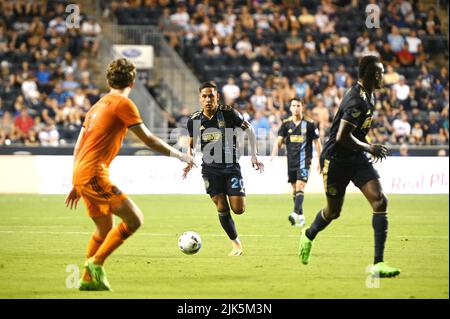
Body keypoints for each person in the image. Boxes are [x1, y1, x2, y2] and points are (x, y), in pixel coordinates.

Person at [65, 58, 195, 291]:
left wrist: (76, 181)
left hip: (82, 172)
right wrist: (181, 155)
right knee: (134, 219)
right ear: (133, 82)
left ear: (108, 81)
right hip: (94, 172)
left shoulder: (96, 106)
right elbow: (149, 139)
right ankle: (96, 263)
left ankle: (86, 278)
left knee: (104, 230)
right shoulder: (123, 104)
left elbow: (78, 146)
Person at [298, 55, 401, 278]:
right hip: (336, 160)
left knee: (380, 200)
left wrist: (364, 147)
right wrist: (369, 147)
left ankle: (378, 263)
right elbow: (343, 136)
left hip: (355, 158)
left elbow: (355, 133)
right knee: (333, 212)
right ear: (373, 75)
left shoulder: (369, 95)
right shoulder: (357, 100)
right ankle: (309, 234)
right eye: (381, 72)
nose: (383, 76)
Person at [183, 81, 264, 256]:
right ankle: (236, 245)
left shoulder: (228, 113)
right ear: (200, 98)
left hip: (230, 167)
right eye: (204, 96)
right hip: (210, 170)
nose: (208, 99)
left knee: (239, 209)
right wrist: (189, 159)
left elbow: (249, 129)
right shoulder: (194, 120)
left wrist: (254, 155)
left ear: (217, 96)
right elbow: (191, 143)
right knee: (221, 205)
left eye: (211, 95)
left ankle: (236, 233)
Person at [271, 98, 322, 226]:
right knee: (294, 189)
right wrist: (274, 153)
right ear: (290, 108)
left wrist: (320, 160)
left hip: (304, 161)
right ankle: (301, 216)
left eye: (298, 105)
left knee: (300, 186)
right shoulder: (286, 124)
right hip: (291, 162)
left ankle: (294, 213)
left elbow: (317, 143)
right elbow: (279, 140)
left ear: (302, 107)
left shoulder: (309, 124)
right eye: (294, 105)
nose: (296, 108)